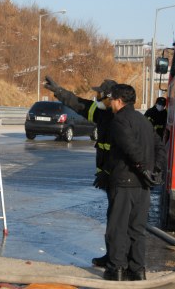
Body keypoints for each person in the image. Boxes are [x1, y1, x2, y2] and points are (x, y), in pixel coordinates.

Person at [44, 76, 117, 267]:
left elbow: (124, 153)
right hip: (107, 177)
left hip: (117, 177)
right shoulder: (101, 113)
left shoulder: (120, 119)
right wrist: (59, 91)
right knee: (112, 218)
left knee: (117, 220)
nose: (97, 98)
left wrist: (107, 173)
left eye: (100, 94)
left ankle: (116, 260)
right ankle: (112, 255)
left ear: (111, 97)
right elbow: (79, 104)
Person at [103, 84, 166, 281]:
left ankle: (116, 269)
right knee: (137, 229)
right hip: (143, 185)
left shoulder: (119, 120)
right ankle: (137, 269)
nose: (110, 103)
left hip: (124, 181)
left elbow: (131, 148)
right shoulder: (144, 120)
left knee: (117, 227)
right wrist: (155, 169)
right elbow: (160, 146)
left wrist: (146, 167)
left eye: (112, 100)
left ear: (119, 101)